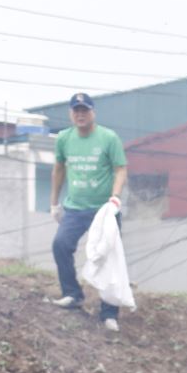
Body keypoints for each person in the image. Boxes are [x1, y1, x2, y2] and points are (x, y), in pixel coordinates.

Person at [50, 92, 127, 332]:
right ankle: (72, 294)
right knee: (60, 245)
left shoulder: (108, 138)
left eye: (85, 110)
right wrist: (54, 203)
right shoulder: (64, 138)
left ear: (93, 112)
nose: (80, 115)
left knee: (108, 259)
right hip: (75, 207)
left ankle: (109, 314)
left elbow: (120, 168)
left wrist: (115, 197)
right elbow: (59, 169)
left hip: (104, 210)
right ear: (71, 114)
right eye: (76, 110)